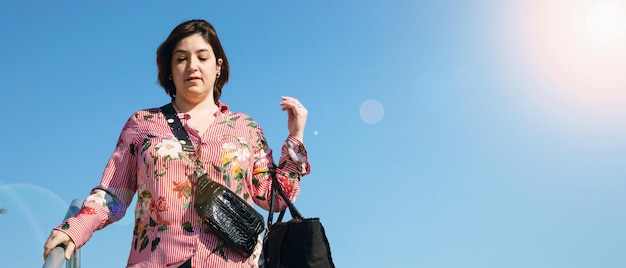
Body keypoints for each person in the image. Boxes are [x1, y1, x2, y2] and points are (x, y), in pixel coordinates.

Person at [43, 19, 311, 268]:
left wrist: (295, 138)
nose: (192, 66)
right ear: (169, 70)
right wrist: (76, 228)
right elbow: (113, 195)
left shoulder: (246, 127)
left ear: (218, 66)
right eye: (181, 59)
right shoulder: (142, 123)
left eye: (202, 57)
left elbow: (274, 197)